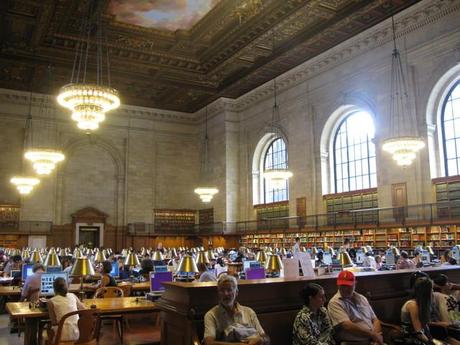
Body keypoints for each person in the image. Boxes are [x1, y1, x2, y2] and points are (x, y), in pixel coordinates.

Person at [203, 275, 269, 345]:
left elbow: (266, 337)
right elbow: (208, 343)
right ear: (218, 293)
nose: (226, 294)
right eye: (222, 290)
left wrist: (261, 340)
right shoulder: (211, 315)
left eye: (229, 290)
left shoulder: (249, 312)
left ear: (236, 292)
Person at [328, 270, 384, 345]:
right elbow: (347, 326)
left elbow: (375, 319)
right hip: (354, 343)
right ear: (337, 285)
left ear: (355, 284)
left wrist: (376, 338)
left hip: (373, 340)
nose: (345, 289)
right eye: (343, 286)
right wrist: (372, 334)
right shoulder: (335, 303)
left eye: (348, 286)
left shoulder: (362, 298)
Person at [47, 277, 86, 342]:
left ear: (54, 289)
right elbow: (83, 309)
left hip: (61, 335)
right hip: (77, 333)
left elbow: (54, 322)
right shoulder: (73, 296)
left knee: (49, 328)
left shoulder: (50, 301)